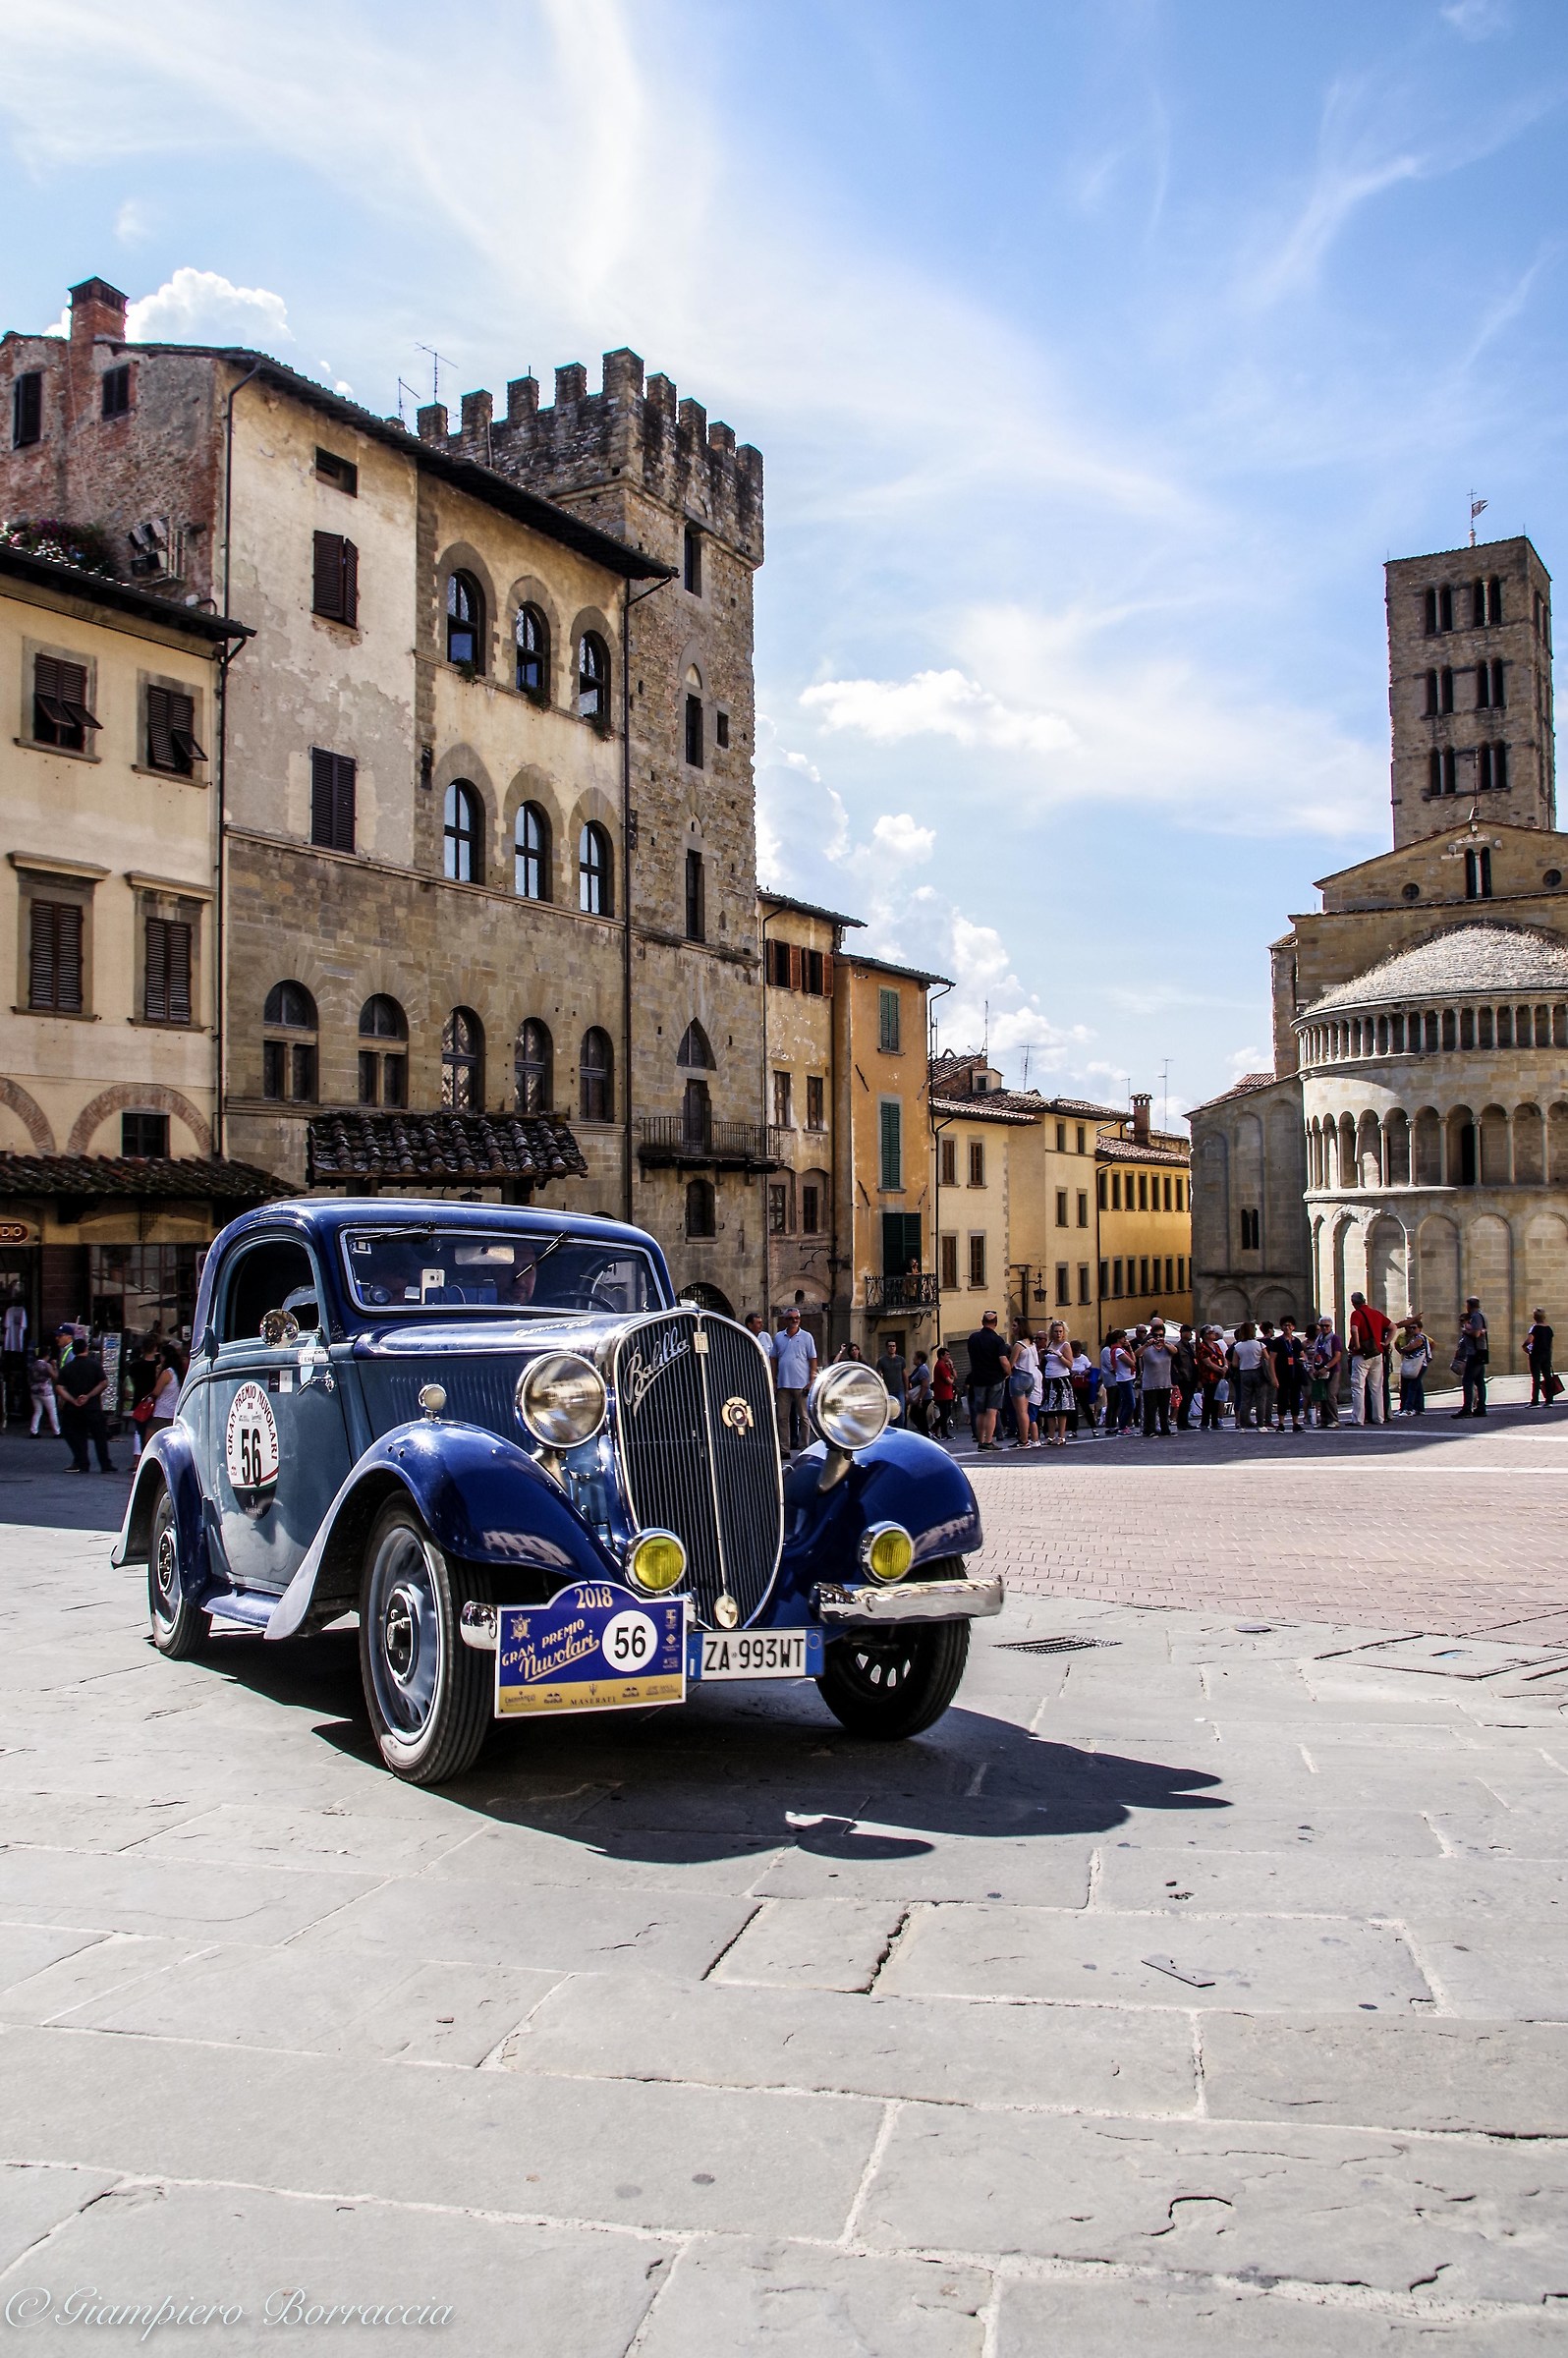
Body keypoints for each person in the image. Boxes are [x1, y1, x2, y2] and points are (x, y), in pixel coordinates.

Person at [54, 1334, 116, 1473]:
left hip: (73, 1408)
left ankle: (81, 1461)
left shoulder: (67, 1368)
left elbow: (59, 1388)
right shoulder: (95, 1365)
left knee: (76, 1435)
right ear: (86, 1349)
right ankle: (105, 1464)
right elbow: (103, 1383)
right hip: (93, 1407)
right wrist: (88, 1396)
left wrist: (72, 1399)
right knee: (99, 1436)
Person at [772, 1307, 817, 1455]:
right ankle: (784, 1449)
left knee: (804, 1417)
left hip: (801, 1384)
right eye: (791, 1318)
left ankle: (804, 1447)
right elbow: (773, 1358)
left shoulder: (806, 1337)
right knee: (782, 1418)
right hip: (783, 1383)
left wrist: (811, 1380)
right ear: (786, 1320)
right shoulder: (779, 1337)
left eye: (797, 1317)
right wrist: (773, 1379)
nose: (794, 1320)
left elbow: (813, 1359)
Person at [966, 1309, 1012, 1450]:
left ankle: (980, 1440)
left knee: (980, 1412)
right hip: (995, 1379)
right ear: (995, 1323)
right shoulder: (997, 1340)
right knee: (992, 1411)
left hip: (978, 1378)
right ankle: (988, 1441)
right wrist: (1008, 1372)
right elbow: (1003, 1360)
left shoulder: (973, 1338)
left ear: (982, 1322)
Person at [1347, 1292, 1392, 1426]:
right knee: (1377, 1387)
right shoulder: (1376, 1313)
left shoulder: (1356, 1314)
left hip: (1362, 1354)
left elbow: (1354, 1330)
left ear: (1353, 1302)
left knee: (1358, 1386)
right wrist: (1385, 1342)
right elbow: (1393, 1327)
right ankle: (1379, 1417)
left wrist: (1357, 1345)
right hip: (1377, 1352)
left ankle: (1358, 1418)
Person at [1038, 1320, 1074, 1447]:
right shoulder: (1050, 1344)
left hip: (1061, 1378)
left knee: (1061, 1410)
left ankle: (1061, 1436)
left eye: (1060, 1331)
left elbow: (1070, 1364)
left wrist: (1059, 1355)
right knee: (1050, 1410)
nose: (1058, 1334)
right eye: (1056, 1331)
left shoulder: (1065, 1346)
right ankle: (1051, 1436)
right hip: (1049, 1378)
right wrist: (1043, 1355)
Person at [1453, 1298, 1488, 1418]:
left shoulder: (1476, 1317)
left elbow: (1476, 1333)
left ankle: (1467, 1408)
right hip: (1480, 1351)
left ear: (1469, 1306)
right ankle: (1481, 1408)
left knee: (1467, 1380)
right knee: (1479, 1381)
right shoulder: (1482, 1316)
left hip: (1474, 1352)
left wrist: (1465, 1331)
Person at [1270, 1318, 1307, 1432]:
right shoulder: (1278, 1342)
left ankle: (1295, 1423)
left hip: (1295, 1373)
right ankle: (1281, 1423)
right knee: (1282, 1398)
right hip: (1282, 1374)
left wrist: (1302, 1359)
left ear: (1293, 1327)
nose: (1288, 1327)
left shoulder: (1296, 1342)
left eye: (1290, 1325)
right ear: (1282, 1327)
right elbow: (1271, 1360)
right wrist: (1274, 1377)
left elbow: (1302, 1355)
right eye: (1285, 1325)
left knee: (1295, 1397)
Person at [1139, 1320, 1174, 1435]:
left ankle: (1165, 1429)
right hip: (1150, 1384)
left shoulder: (1167, 1347)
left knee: (1164, 1409)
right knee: (1151, 1409)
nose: (1158, 1338)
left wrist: (1164, 1344)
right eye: (1156, 1335)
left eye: (1161, 1335)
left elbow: (1175, 1351)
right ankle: (1149, 1429)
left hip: (1165, 1383)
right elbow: (1137, 1354)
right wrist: (1147, 1344)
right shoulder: (1147, 1348)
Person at [1006, 1324, 1039, 1447]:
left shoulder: (1018, 1345)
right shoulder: (1032, 1344)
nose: (1013, 1328)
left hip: (1019, 1376)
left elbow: (1011, 1364)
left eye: (1015, 1326)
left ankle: (1024, 1439)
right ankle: (1025, 1438)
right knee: (1024, 1410)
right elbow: (1036, 1362)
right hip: (1030, 1377)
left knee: (1020, 1412)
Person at [1232, 1322, 1267, 1431]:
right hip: (1258, 1371)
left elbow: (1234, 1364)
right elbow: (1267, 1358)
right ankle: (1260, 1425)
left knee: (1245, 1400)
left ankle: (1243, 1425)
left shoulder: (1238, 1346)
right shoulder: (1259, 1345)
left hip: (1244, 1372)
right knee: (1260, 1399)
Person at [1396, 1315, 1432, 1415]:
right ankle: (1419, 1408)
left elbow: (1410, 1347)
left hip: (1418, 1365)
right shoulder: (1412, 1337)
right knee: (1417, 1385)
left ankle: (1408, 1409)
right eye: (1409, 1327)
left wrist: (1403, 1350)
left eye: (1414, 1327)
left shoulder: (1420, 1338)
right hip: (1415, 1364)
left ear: (1419, 1328)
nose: (1411, 1330)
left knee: (1412, 1386)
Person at [147, 1342, 186, 1435]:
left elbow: (156, 1392)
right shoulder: (179, 1373)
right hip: (173, 1412)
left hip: (161, 1412)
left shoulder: (166, 1373)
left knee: (150, 1439)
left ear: (164, 1357)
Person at [1311, 1316, 1342, 1427]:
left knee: (1330, 1395)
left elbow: (1337, 1356)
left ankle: (1334, 1419)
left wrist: (1326, 1367)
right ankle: (1324, 1420)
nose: (1325, 1328)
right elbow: (1316, 1354)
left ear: (1331, 1326)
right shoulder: (1319, 1338)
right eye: (1322, 1326)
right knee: (1322, 1395)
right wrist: (1314, 1368)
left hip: (1332, 1370)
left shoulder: (1334, 1338)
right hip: (1320, 1370)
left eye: (1327, 1326)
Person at [1196, 1326, 1227, 1431]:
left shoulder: (1216, 1345)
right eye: (1210, 1332)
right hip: (1208, 1376)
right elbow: (1207, 1363)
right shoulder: (1202, 1347)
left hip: (1218, 1376)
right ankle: (1205, 1421)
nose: (1213, 1334)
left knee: (1217, 1399)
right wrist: (1219, 1369)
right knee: (1208, 1399)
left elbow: (1223, 1357)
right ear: (1205, 1335)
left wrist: (1225, 1367)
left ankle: (1215, 1421)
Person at [2, 1291, 27, 1425]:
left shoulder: (16, 1311)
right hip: (16, 1343)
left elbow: (6, 1326)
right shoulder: (13, 1311)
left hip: (12, 1343)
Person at [1525, 1309, 1556, 1406]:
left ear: (1534, 1317)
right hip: (1546, 1354)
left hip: (1536, 1354)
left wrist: (1524, 1347)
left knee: (1536, 1378)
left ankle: (1535, 1401)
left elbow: (1529, 1340)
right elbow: (1551, 1344)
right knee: (1547, 1377)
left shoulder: (1535, 1328)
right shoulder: (1549, 1329)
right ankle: (1549, 1401)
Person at [1171, 1323, 1199, 1431]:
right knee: (1184, 1400)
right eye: (1189, 1332)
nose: (1190, 1334)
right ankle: (1181, 1422)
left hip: (1191, 1377)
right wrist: (1179, 1375)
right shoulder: (1178, 1347)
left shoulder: (1190, 1346)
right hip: (1184, 1377)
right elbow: (1175, 1363)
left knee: (1188, 1400)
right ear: (1183, 1333)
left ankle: (1185, 1421)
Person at [27, 1345, 58, 1437]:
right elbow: (55, 1377)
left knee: (37, 1411)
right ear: (47, 1355)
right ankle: (57, 1431)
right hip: (46, 1391)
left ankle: (34, 1431)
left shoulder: (33, 1365)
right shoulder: (47, 1365)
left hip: (34, 1391)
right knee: (52, 1411)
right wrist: (55, 1366)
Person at [878, 1334, 907, 1427]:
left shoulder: (901, 1360)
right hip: (888, 1391)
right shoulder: (882, 1361)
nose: (892, 1348)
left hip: (899, 1390)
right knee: (890, 1413)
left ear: (896, 1347)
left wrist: (907, 1392)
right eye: (890, 1346)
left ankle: (901, 1430)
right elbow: (879, 1375)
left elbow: (905, 1375)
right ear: (887, 1348)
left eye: (893, 1346)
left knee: (901, 1412)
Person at [930, 1345, 957, 1439]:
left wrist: (951, 1367)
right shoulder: (941, 1366)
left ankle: (936, 1429)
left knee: (946, 1413)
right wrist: (952, 1378)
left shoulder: (945, 1366)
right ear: (941, 1356)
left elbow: (954, 1376)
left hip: (947, 1394)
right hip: (942, 1394)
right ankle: (942, 1432)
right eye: (947, 1355)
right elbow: (949, 1380)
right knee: (945, 1414)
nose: (949, 1356)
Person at [906, 1350, 932, 1435]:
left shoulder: (922, 1369)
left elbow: (925, 1385)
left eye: (915, 1357)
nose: (913, 1359)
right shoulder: (918, 1369)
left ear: (919, 1359)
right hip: (920, 1397)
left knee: (918, 1416)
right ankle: (924, 1432)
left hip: (923, 1397)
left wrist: (920, 1399)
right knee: (917, 1415)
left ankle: (925, 1433)